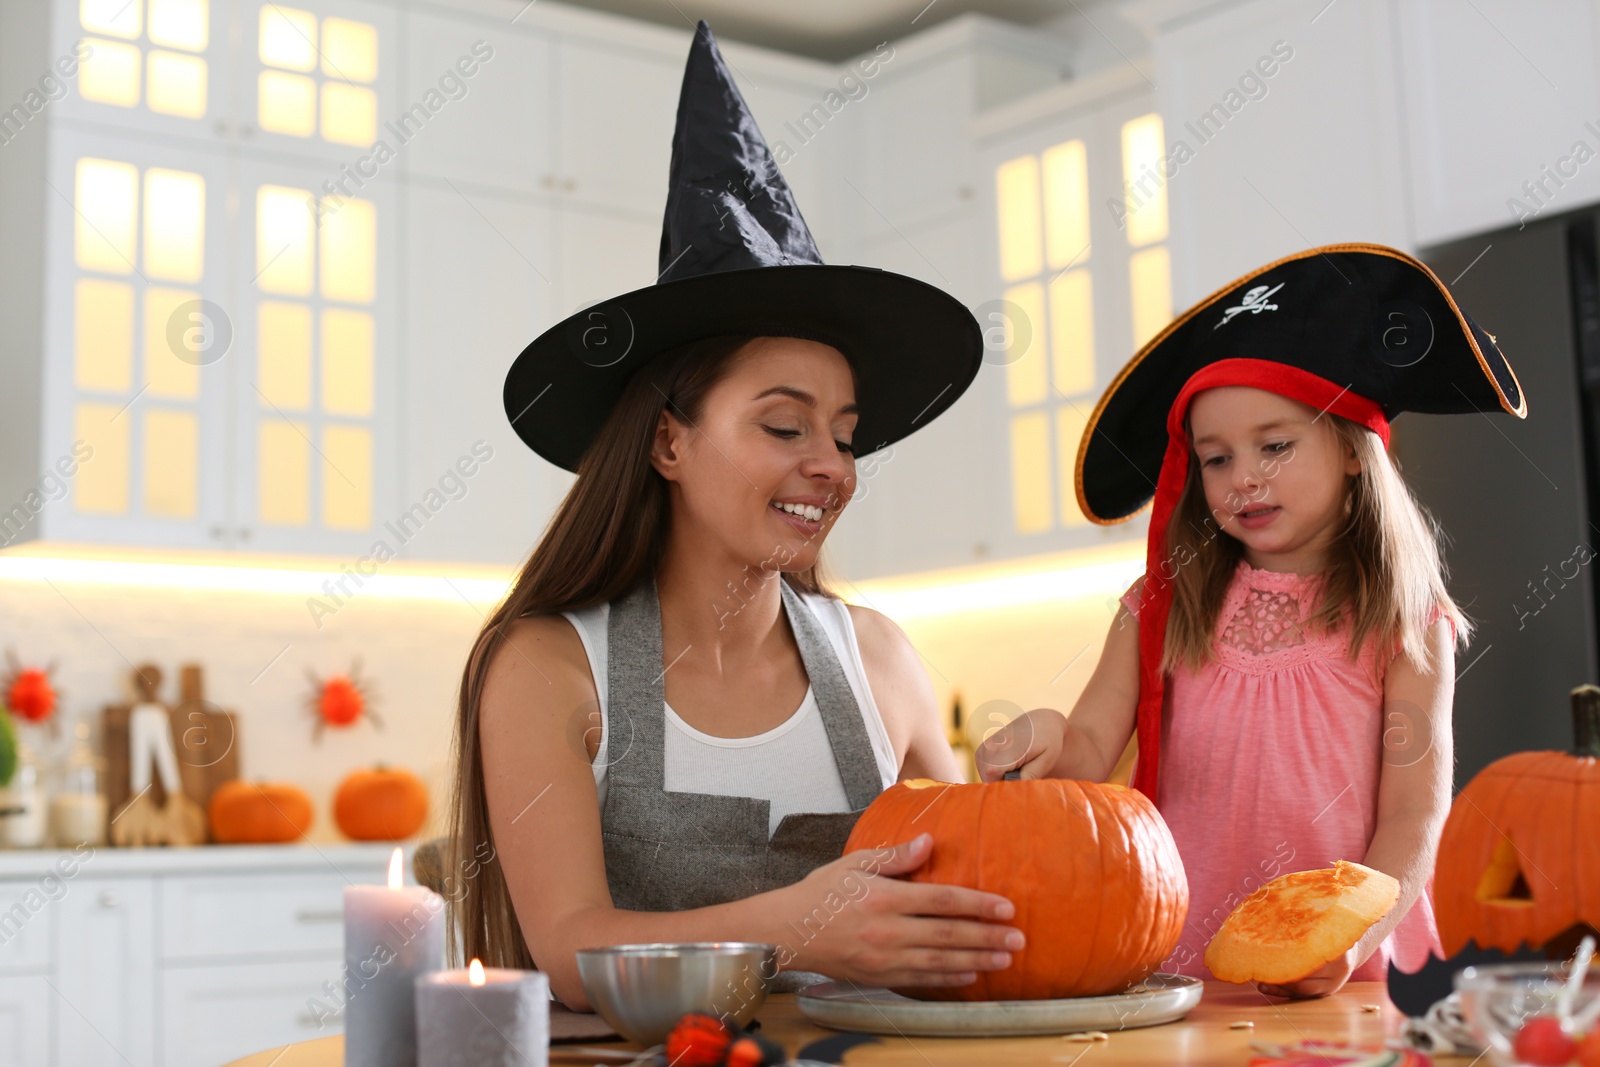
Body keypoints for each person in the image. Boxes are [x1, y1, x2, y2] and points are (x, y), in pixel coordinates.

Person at [444, 22, 1024, 1011]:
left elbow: (990, 888)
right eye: (783, 423)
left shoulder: (879, 657)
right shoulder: (545, 667)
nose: (830, 466)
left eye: (843, 434)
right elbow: (569, 946)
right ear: (669, 443)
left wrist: (1040, 775)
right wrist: (797, 922)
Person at [976, 245, 1528, 998]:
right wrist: (1042, 735)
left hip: (1347, 973)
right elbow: (1086, 755)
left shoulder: (1407, 620)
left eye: (1275, 445)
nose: (1244, 478)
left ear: (1353, 450)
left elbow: (1413, 814)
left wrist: (1348, 935)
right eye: (1215, 458)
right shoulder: (1159, 607)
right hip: (1177, 965)